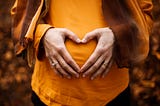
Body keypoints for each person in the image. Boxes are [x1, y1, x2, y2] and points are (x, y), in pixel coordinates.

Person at [11, 0, 153, 106]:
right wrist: (43, 35)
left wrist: (117, 36)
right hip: (51, 95)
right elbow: (20, 16)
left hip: (111, 96)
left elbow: (144, 16)